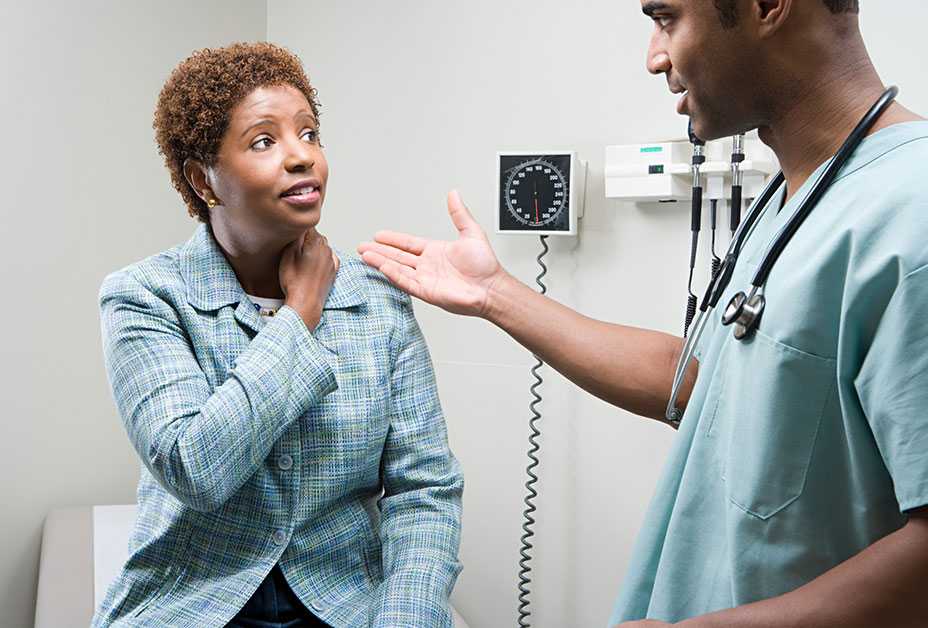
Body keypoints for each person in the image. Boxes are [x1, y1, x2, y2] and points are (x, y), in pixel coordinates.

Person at [358, 1, 928, 626]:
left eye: (666, 18)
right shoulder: (796, 193)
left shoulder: (911, 215)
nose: (654, 57)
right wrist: (495, 293)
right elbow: (700, 383)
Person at [94, 42, 462, 628]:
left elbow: (424, 491)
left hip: (346, 606)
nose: (301, 157)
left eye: (309, 134)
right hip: (190, 605)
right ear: (203, 179)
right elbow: (195, 468)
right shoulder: (145, 296)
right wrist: (300, 313)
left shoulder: (379, 298)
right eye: (264, 141)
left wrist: (404, 619)